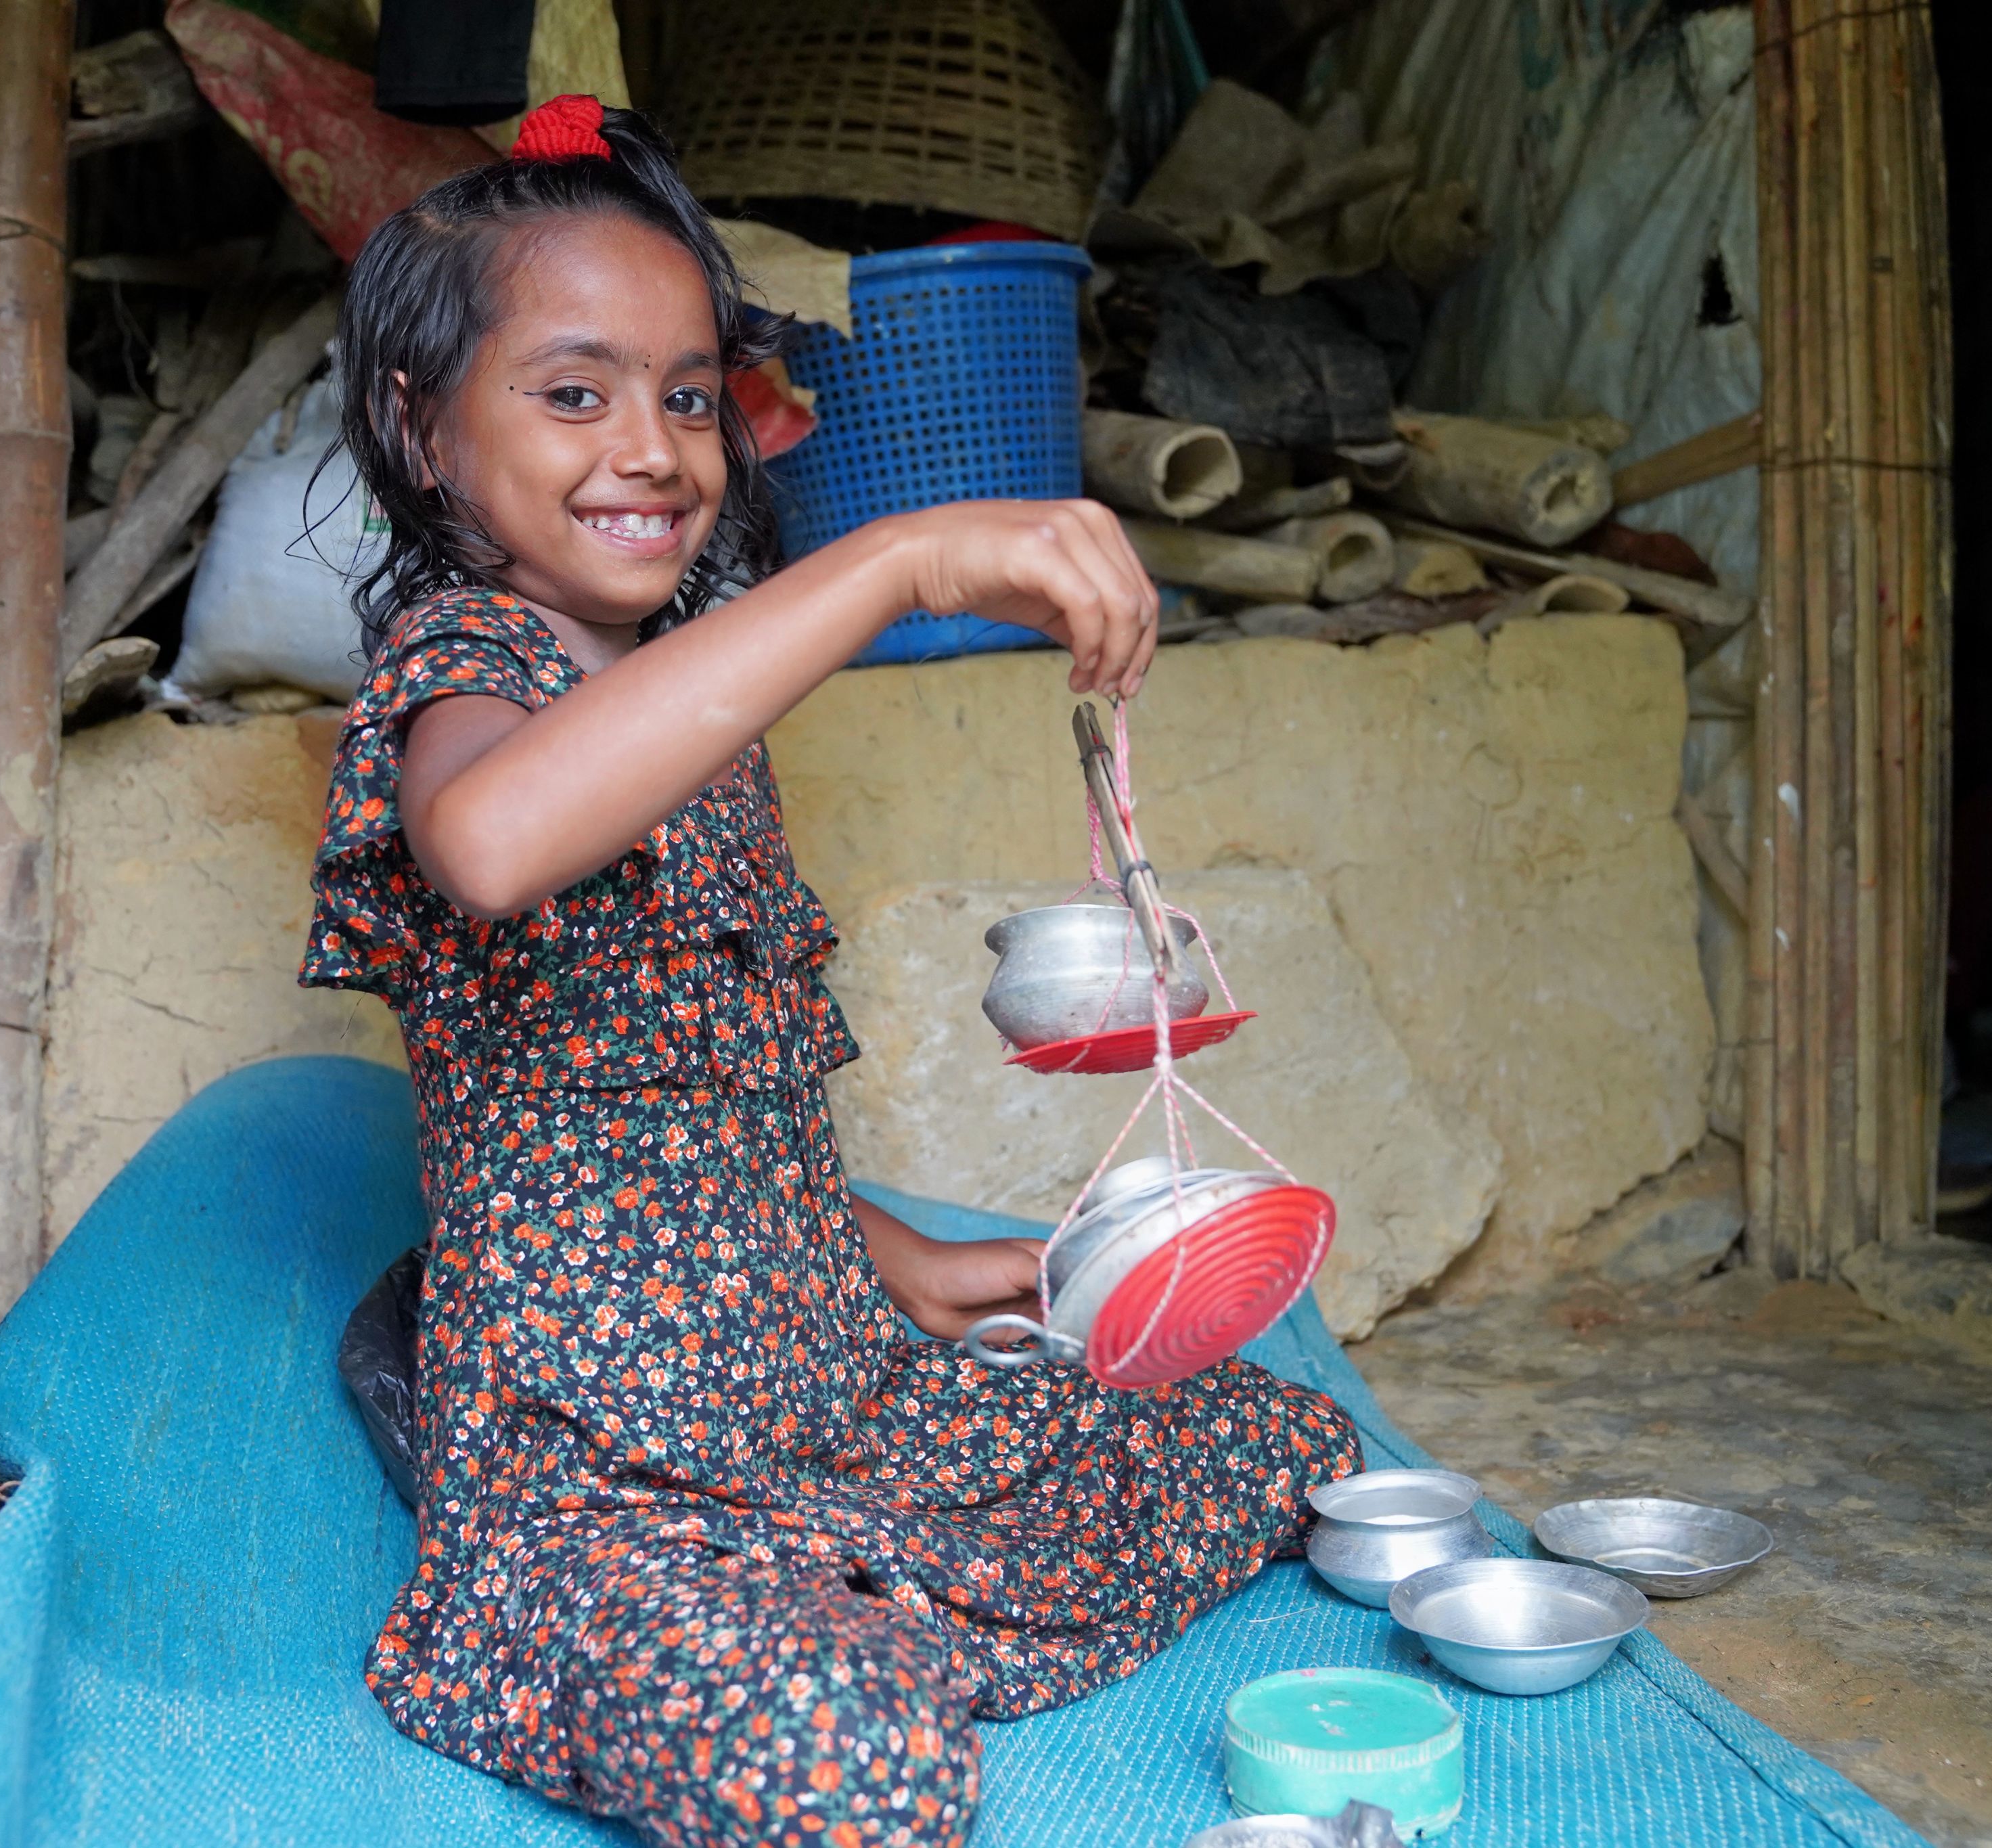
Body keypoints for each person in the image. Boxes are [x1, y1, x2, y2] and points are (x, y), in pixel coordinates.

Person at [302, 93, 1361, 1848]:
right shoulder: (459, 669)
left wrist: (928, 1268)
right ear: (422, 430)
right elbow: (489, 844)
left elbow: (716, 1113)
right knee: (834, 1753)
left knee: (1268, 1438)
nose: (648, 446)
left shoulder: (701, 720)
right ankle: (817, 1646)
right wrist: (898, 558)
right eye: (572, 393)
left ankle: (865, 1591)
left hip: (817, 1389)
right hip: (604, 1467)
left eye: (689, 395)